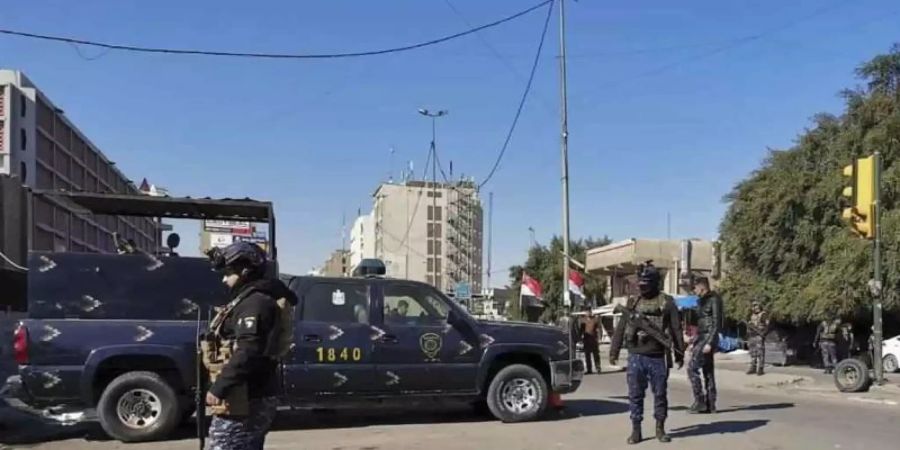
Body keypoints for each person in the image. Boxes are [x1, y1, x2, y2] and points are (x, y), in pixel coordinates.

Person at [204, 242, 296, 450]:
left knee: (223, 445)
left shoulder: (255, 303)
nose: (224, 279)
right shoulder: (249, 299)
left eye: (228, 272)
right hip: (250, 395)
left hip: (248, 397)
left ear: (245, 270)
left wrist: (220, 387)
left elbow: (249, 349)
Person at [610, 261, 685, 445]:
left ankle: (660, 428)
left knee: (660, 394)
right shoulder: (633, 301)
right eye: (640, 284)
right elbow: (621, 327)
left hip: (657, 357)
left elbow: (676, 329)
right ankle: (636, 430)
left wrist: (679, 353)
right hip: (636, 356)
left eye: (646, 283)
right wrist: (614, 351)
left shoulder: (667, 302)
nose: (642, 287)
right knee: (635, 395)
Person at [688, 276, 723, 414]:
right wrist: (693, 340)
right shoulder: (701, 301)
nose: (694, 291)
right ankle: (711, 404)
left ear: (702, 286)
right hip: (701, 337)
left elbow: (716, 322)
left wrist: (709, 342)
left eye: (695, 288)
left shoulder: (714, 299)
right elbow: (699, 323)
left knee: (692, 368)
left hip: (708, 338)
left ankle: (700, 401)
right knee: (707, 371)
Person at [747, 300, 770, 376]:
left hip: (759, 335)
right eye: (754, 306)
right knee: (752, 353)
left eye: (757, 305)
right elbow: (749, 324)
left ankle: (760, 368)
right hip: (752, 336)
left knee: (760, 353)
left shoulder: (763, 315)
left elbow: (767, 326)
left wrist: (763, 333)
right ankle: (753, 367)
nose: (755, 307)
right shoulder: (751, 315)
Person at [580, 308, 601, 374]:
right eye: (587, 312)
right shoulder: (583, 320)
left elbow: (599, 329)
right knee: (587, 355)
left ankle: (598, 368)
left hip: (594, 340)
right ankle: (589, 369)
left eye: (589, 312)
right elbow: (581, 330)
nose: (588, 313)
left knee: (596, 355)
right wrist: (580, 338)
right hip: (586, 340)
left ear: (591, 312)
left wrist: (599, 338)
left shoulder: (595, 320)